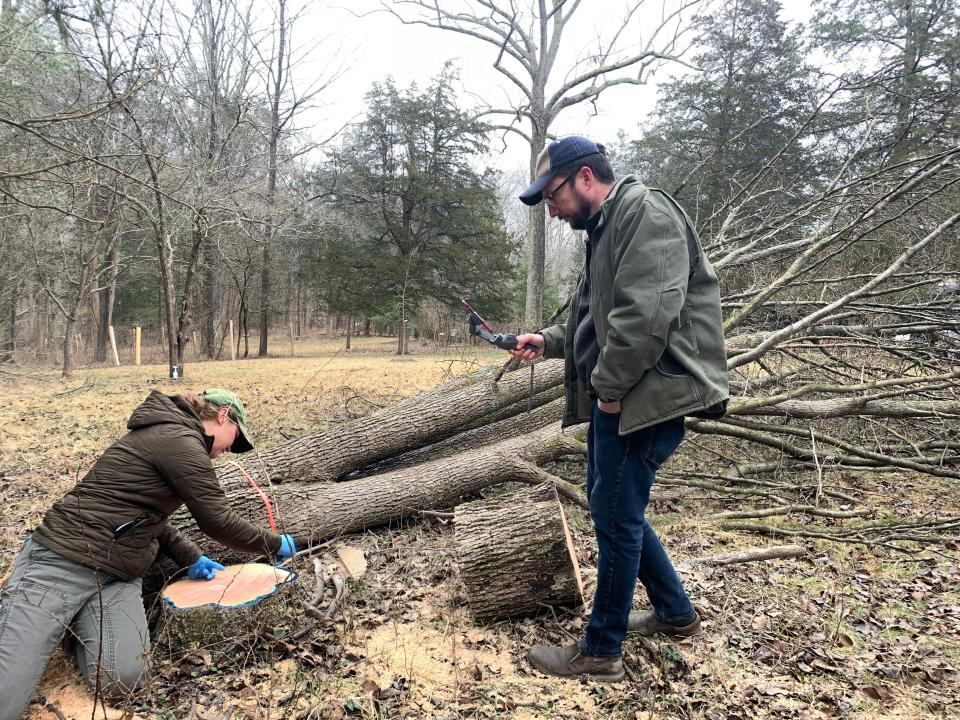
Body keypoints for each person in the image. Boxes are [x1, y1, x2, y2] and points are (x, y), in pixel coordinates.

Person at [510, 136, 729, 682]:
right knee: (616, 509)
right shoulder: (606, 227)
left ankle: (601, 650)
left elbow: (645, 318)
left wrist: (608, 391)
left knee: (614, 516)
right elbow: (594, 315)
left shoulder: (644, 214)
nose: (554, 211)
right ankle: (676, 613)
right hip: (628, 395)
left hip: (644, 399)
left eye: (554, 196)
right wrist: (549, 339)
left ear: (585, 177)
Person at [0, 388, 296, 718]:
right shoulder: (178, 439)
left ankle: (70, 628)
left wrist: (191, 558)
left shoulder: (175, 439)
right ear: (223, 416)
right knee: (6, 694)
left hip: (117, 575)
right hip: (62, 560)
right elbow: (218, 521)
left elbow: (151, 517)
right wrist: (275, 544)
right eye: (234, 438)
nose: (229, 450)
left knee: (124, 679)